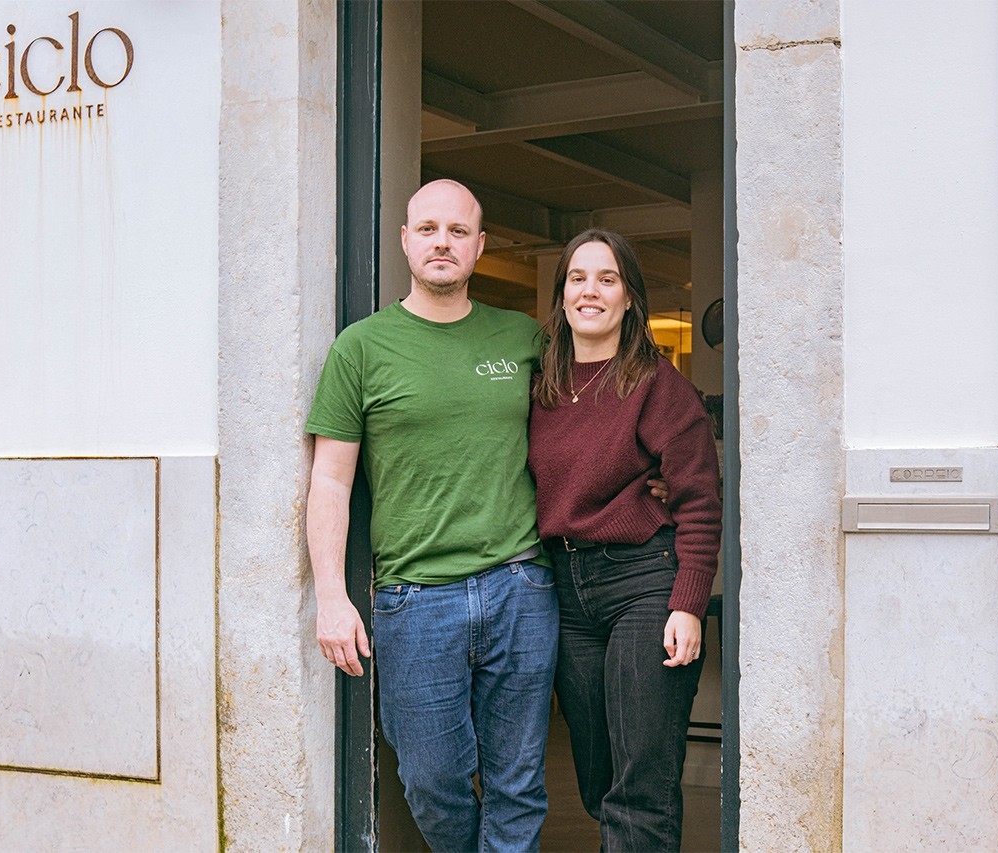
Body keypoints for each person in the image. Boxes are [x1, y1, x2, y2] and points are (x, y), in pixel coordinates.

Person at [304, 179, 559, 852]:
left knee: (518, 782)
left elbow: (580, 433)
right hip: (415, 601)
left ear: (479, 245)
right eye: (427, 229)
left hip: (521, 585)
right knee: (429, 775)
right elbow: (330, 479)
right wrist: (331, 596)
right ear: (406, 240)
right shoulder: (361, 348)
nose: (441, 242)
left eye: (456, 230)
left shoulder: (523, 337)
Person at [528, 228, 722, 851]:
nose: (591, 291)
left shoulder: (659, 387)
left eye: (607, 279)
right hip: (565, 587)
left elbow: (698, 500)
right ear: (560, 295)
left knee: (641, 784)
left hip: (643, 581)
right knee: (598, 779)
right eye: (578, 278)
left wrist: (687, 603)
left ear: (629, 298)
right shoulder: (539, 385)